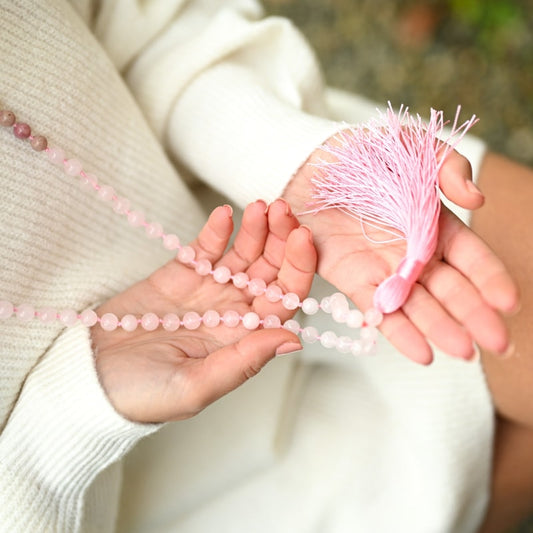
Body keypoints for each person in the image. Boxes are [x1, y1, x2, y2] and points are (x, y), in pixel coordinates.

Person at [0, 1, 528, 532]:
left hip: (284, 211)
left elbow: (141, 24)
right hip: (155, 492)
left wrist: (284, 158)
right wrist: (63, 429)